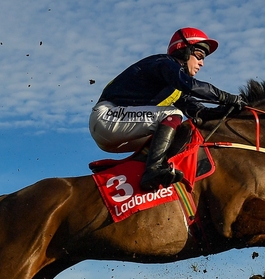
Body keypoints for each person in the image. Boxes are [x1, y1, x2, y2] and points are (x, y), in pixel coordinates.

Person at [89, 27, 247, 191]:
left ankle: (129, 172)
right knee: (173, 114)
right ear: (184, 51)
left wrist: (230, 111)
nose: (202, 63)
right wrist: (227, 97)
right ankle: (153, 171)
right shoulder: (164, 63)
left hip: (119, 129)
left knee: (181, 132)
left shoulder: (173, 87)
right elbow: (192, 86)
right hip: (106, 117)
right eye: (199, 56)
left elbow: (198, 111)